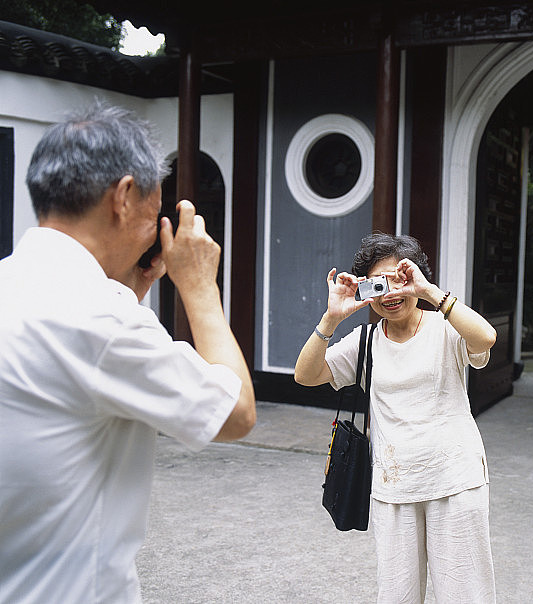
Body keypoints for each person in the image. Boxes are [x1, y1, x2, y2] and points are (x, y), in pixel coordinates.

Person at [0, 102, 256, 603]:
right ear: (122, 197)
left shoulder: (19, 284)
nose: (153, 229)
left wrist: (129, 294)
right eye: (153, 211)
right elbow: (236, 413)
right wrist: (200, 287)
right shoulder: (102, 317)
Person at [295, 233, 498, 603]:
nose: (389, 295)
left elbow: (485, 338)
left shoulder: (446, 326)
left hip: (455, 479)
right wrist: (331, 318)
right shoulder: (366, 340)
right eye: (378, 285)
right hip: (394, 485)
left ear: (415, 277)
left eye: (398, 280)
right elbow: (306, 375)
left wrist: (430, 292)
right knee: (396, 595)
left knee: (465, 593)